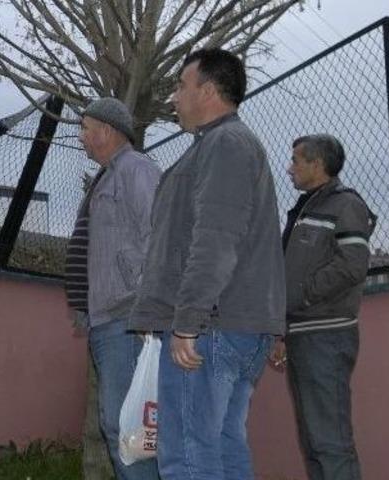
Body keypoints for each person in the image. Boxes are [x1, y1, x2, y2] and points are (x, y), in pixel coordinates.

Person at [129, 48, 285, 480]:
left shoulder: (225, 144)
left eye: (181, 86)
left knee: (186, 455)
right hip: (231, 325)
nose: (174, 97)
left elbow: (215, 240)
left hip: (210, 327)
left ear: (208, 91)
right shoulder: (228, 145)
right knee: (222, 444)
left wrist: (187, 321)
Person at [64, 97, 161, 480]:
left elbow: (158, 235)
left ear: (106, 131)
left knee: (130, 429)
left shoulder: (136, 169)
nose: (80, 137)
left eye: (85, 128)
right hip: (107, 320)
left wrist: (144, 303)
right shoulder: (107, 176)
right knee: (121, 425)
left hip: (128, 318)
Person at [269, 134, 375, 480]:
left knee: (330, 442)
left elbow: (352, 266)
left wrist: (300, 295)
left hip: (326, 337)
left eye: (296, 161)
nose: (289, 168)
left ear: (317, 164)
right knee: (314, 442)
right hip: (303, 335)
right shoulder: (307, 207)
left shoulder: (345, 205)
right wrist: (283, 328)